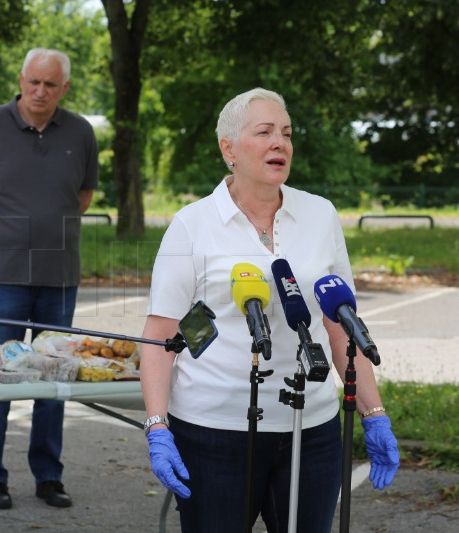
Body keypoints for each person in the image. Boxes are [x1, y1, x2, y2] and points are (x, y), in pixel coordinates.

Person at [139, 88, 400, 532]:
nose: (280, 143)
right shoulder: (191, 225)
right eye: (264, 132)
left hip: (312, 431)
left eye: (286, 133)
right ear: (229, 149)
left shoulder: (320, 215)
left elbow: (339, 324)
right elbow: (161, 335)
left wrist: (374, 413)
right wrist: (157, 425)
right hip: (214, 432)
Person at [0, 48, 98, 510]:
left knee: (53, 380)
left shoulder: (81, 132)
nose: (40, 91)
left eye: (50, 85)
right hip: (1, 277)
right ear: (21, 79)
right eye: (33, 82)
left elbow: (85, 193)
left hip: (59, 277)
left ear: (65, 88)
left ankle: (48, 477)